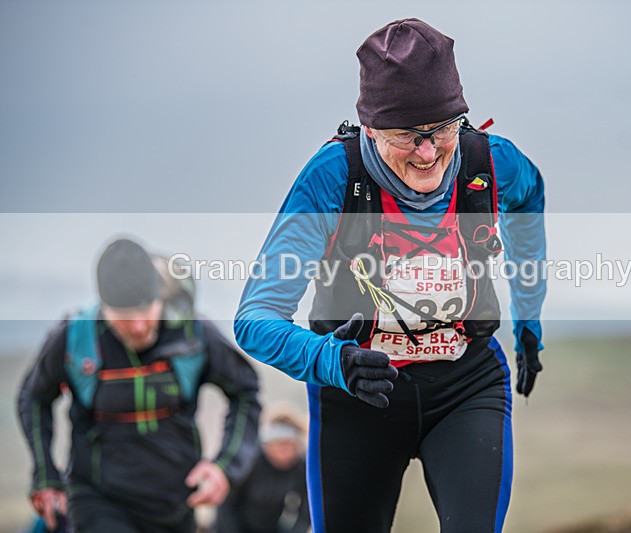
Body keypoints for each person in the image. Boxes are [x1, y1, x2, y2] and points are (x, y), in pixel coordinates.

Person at [234, 18, 546, 533]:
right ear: (371, 129)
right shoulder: (332, 179)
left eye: (443, 129)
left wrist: (528, 319)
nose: (429, 152)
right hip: (357, 396)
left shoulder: (491, 164)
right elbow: (254, 318)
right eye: (409, 136)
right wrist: (333, 360)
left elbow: (530, 201)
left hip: (466, 386)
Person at [17, 238, 262, 533]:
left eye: (146, 310)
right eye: (124, 316)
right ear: (104, 308)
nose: (138, 325)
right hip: (97, 498)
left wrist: (225, 467)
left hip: (175, 504)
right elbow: (33, 397)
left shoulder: (192, 333)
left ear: (160, 298)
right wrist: (46, 473)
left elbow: (245, 390)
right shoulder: (76, 338)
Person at [216, 405, 311, 533]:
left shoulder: (300, 468)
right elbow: (226, 505)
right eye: (279, 445)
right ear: (268, 445)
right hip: (232, 525)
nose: (284, 452)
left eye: (289, 446)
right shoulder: (251, 460)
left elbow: (306, 512)